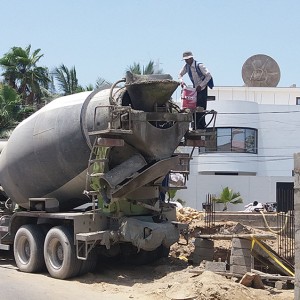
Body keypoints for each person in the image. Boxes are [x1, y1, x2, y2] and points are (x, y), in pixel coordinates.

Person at [178, 51, 213, 129]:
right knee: (193, 106)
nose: (187, 61)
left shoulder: (199, 65)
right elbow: (180, 74)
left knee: (201, 107)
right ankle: (195, 125)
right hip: (195, 89)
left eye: (188, 59)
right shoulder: (186, 66)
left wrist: (201, 85)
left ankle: (201, 126)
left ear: (192, 58)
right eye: (185, 60)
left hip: (202, 88)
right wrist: (182, 82)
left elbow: (208, 76)